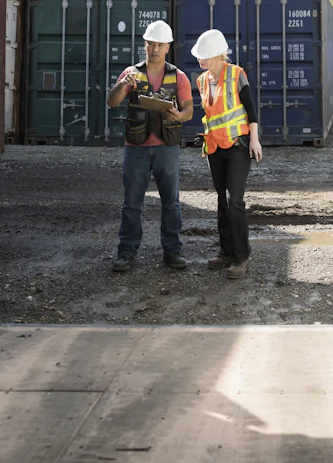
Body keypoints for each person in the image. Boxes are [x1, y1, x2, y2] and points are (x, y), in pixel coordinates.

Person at [106, 19, 193, 272]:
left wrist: (180, 115)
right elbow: (112, 102)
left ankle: (172, 250)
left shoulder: (179, 77)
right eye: (151, 44)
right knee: (132, 202)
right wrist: (124, 84)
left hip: (167, 147)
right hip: (136, 148)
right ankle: (126, 252)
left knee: (171, 202)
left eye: (160, 45)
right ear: (145, 45)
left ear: (168, 47)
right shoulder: (131, 73)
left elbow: (188, 109)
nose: (155, 49)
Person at [191, 28, 263, 278]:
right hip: (215, 147)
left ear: (219, 55)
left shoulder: (236, 75)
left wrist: (255, 141)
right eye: (200, 57)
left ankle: (242, 257)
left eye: (205, 57)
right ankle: (226, 252)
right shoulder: (201, 80)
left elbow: (251, 112)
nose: (201, 61)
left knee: (235, 201)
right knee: (221, 200)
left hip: (238, 145)